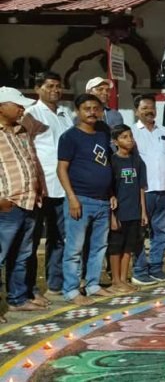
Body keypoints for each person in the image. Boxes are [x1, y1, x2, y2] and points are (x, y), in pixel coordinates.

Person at [57, 93, 114, 305]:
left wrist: (111, 193)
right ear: (77, 111)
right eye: (87, 108)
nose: (92, 112)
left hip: (103, 201)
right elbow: (61, 169)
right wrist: (72, 198)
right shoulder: (69, 137)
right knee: (74, 249)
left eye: (95, 108)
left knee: (99, 247)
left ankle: (93, 285)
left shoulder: (103, 133)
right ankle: (71, 290)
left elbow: (106, 164)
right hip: (80, 200)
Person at [22, 71, 72, 299]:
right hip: (40, 187)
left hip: (63, 187)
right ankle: (29, 290)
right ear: (38, 89)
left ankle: (55, 285)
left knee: (59, 238)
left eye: (58, 86)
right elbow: (25, 149)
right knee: (31, 242)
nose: (55, 90)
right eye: (50, 86)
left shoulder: (65, 114)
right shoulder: (31, 113)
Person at [0, 87, 46, 322]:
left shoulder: (21, 131)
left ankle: (17, 299)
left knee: (22, 254)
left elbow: (32, 160)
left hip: (29, 201)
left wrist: (39, 190)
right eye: (17, 105)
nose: (22, 109)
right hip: (7, 204)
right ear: (1, 107)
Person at [131, 94, 165, 285]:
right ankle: (139, 270)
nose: (149, 111)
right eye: (144, 108)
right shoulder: (131, 133)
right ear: (136, 111)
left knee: (161, 232)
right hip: (143, 192)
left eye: (151, 107)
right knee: (139, 232)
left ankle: (156, 268)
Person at [107, 124, 148, 294]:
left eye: (130, 136)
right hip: (119, 213)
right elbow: (109, 190)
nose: (129, 140)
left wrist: (143, 212)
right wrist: (112, 216)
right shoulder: (112, 162)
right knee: (116, 247)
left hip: (134, 211)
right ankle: (115, 280)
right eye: (124, 137)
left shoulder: (137, 161)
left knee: (128, 247)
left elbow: (141, 188)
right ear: (115, 141)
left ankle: (124, 279)